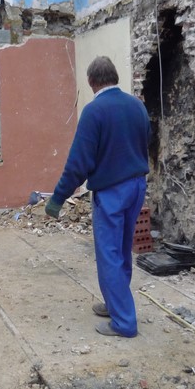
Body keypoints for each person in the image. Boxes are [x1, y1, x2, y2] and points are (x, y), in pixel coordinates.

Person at [45, 56, 150, 337]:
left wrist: (58, 198)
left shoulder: (94, 111)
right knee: (122, 249)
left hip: (112, 191)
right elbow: (145, 141)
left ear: (91, 82)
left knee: (109, 254)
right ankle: (115, 304)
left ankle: (124, 323)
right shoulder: (137, 106)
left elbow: (78, 163)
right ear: (115, 77)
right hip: (137, 186)